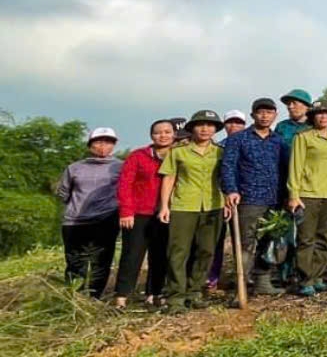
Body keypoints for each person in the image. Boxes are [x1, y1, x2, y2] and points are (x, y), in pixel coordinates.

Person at [219, 98, 288, 297]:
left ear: (275, 115)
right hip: (248, 199)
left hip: (274, 199)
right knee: (246, 244)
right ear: (253, 115)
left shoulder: (279, 141)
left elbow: (285, 170)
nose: (265, 116)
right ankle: (241, 283)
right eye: (261, 112)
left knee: (269, 243)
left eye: (269, 112)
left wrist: (287, 195)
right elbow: (228, 166)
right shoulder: (238, 139)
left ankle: (262, 281)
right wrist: (231, 190)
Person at [158, 111, 224, 312]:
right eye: (200, 125)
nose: (205, 129)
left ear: (215, 129)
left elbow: (226, 178)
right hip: (184, 205)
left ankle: (195, 291)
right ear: (192, 128)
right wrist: (164, 206)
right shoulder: (179, 151)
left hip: (214, 205)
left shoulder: (221, 152)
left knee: (206, 250)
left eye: (210, 125)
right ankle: (175, 296)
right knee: (178, 252)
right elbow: (168, 178)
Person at [57, 127, 123, 299]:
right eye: (98, 141)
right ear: (90, 145)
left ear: (114, 146)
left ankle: (94, 298)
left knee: (101, 261)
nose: (103, 146)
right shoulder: (75, 168)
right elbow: (63, 193)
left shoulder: (120, 167)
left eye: (108, 142)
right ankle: (74, 297)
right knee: (74, 262)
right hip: (75, 221)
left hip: (106, 220)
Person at [114, 120, 174, 307]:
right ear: (151, 136)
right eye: (158, 132)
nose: (163, 136)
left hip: (165, 213)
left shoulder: (178, 155)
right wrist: (126, 211)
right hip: (138, 213)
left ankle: (153, 293)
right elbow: (125, 184)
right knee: (132, 255)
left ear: (174, 135)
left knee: (160, 255)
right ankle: (121, 297)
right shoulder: (138, 156)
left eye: (167, 132)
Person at [287, 100, 327, 296]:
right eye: (319, 113)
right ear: (312, 117)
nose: (324, 117)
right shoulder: (303, 137)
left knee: (323, 237)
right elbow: (295, 167)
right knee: (306, 238)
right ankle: (305, 279)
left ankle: (318, 275)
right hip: (308, 194)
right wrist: (294, 195)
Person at [206, 109, 249, 290]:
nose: (235, 126)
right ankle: (211, 277)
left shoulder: (249, 143)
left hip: (246, 197)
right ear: (224, 126)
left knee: (245, 240)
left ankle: (244, 276)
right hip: (220, 198)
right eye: (230, 123)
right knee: (215, 240)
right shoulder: (219, 148)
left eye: (239, 123)